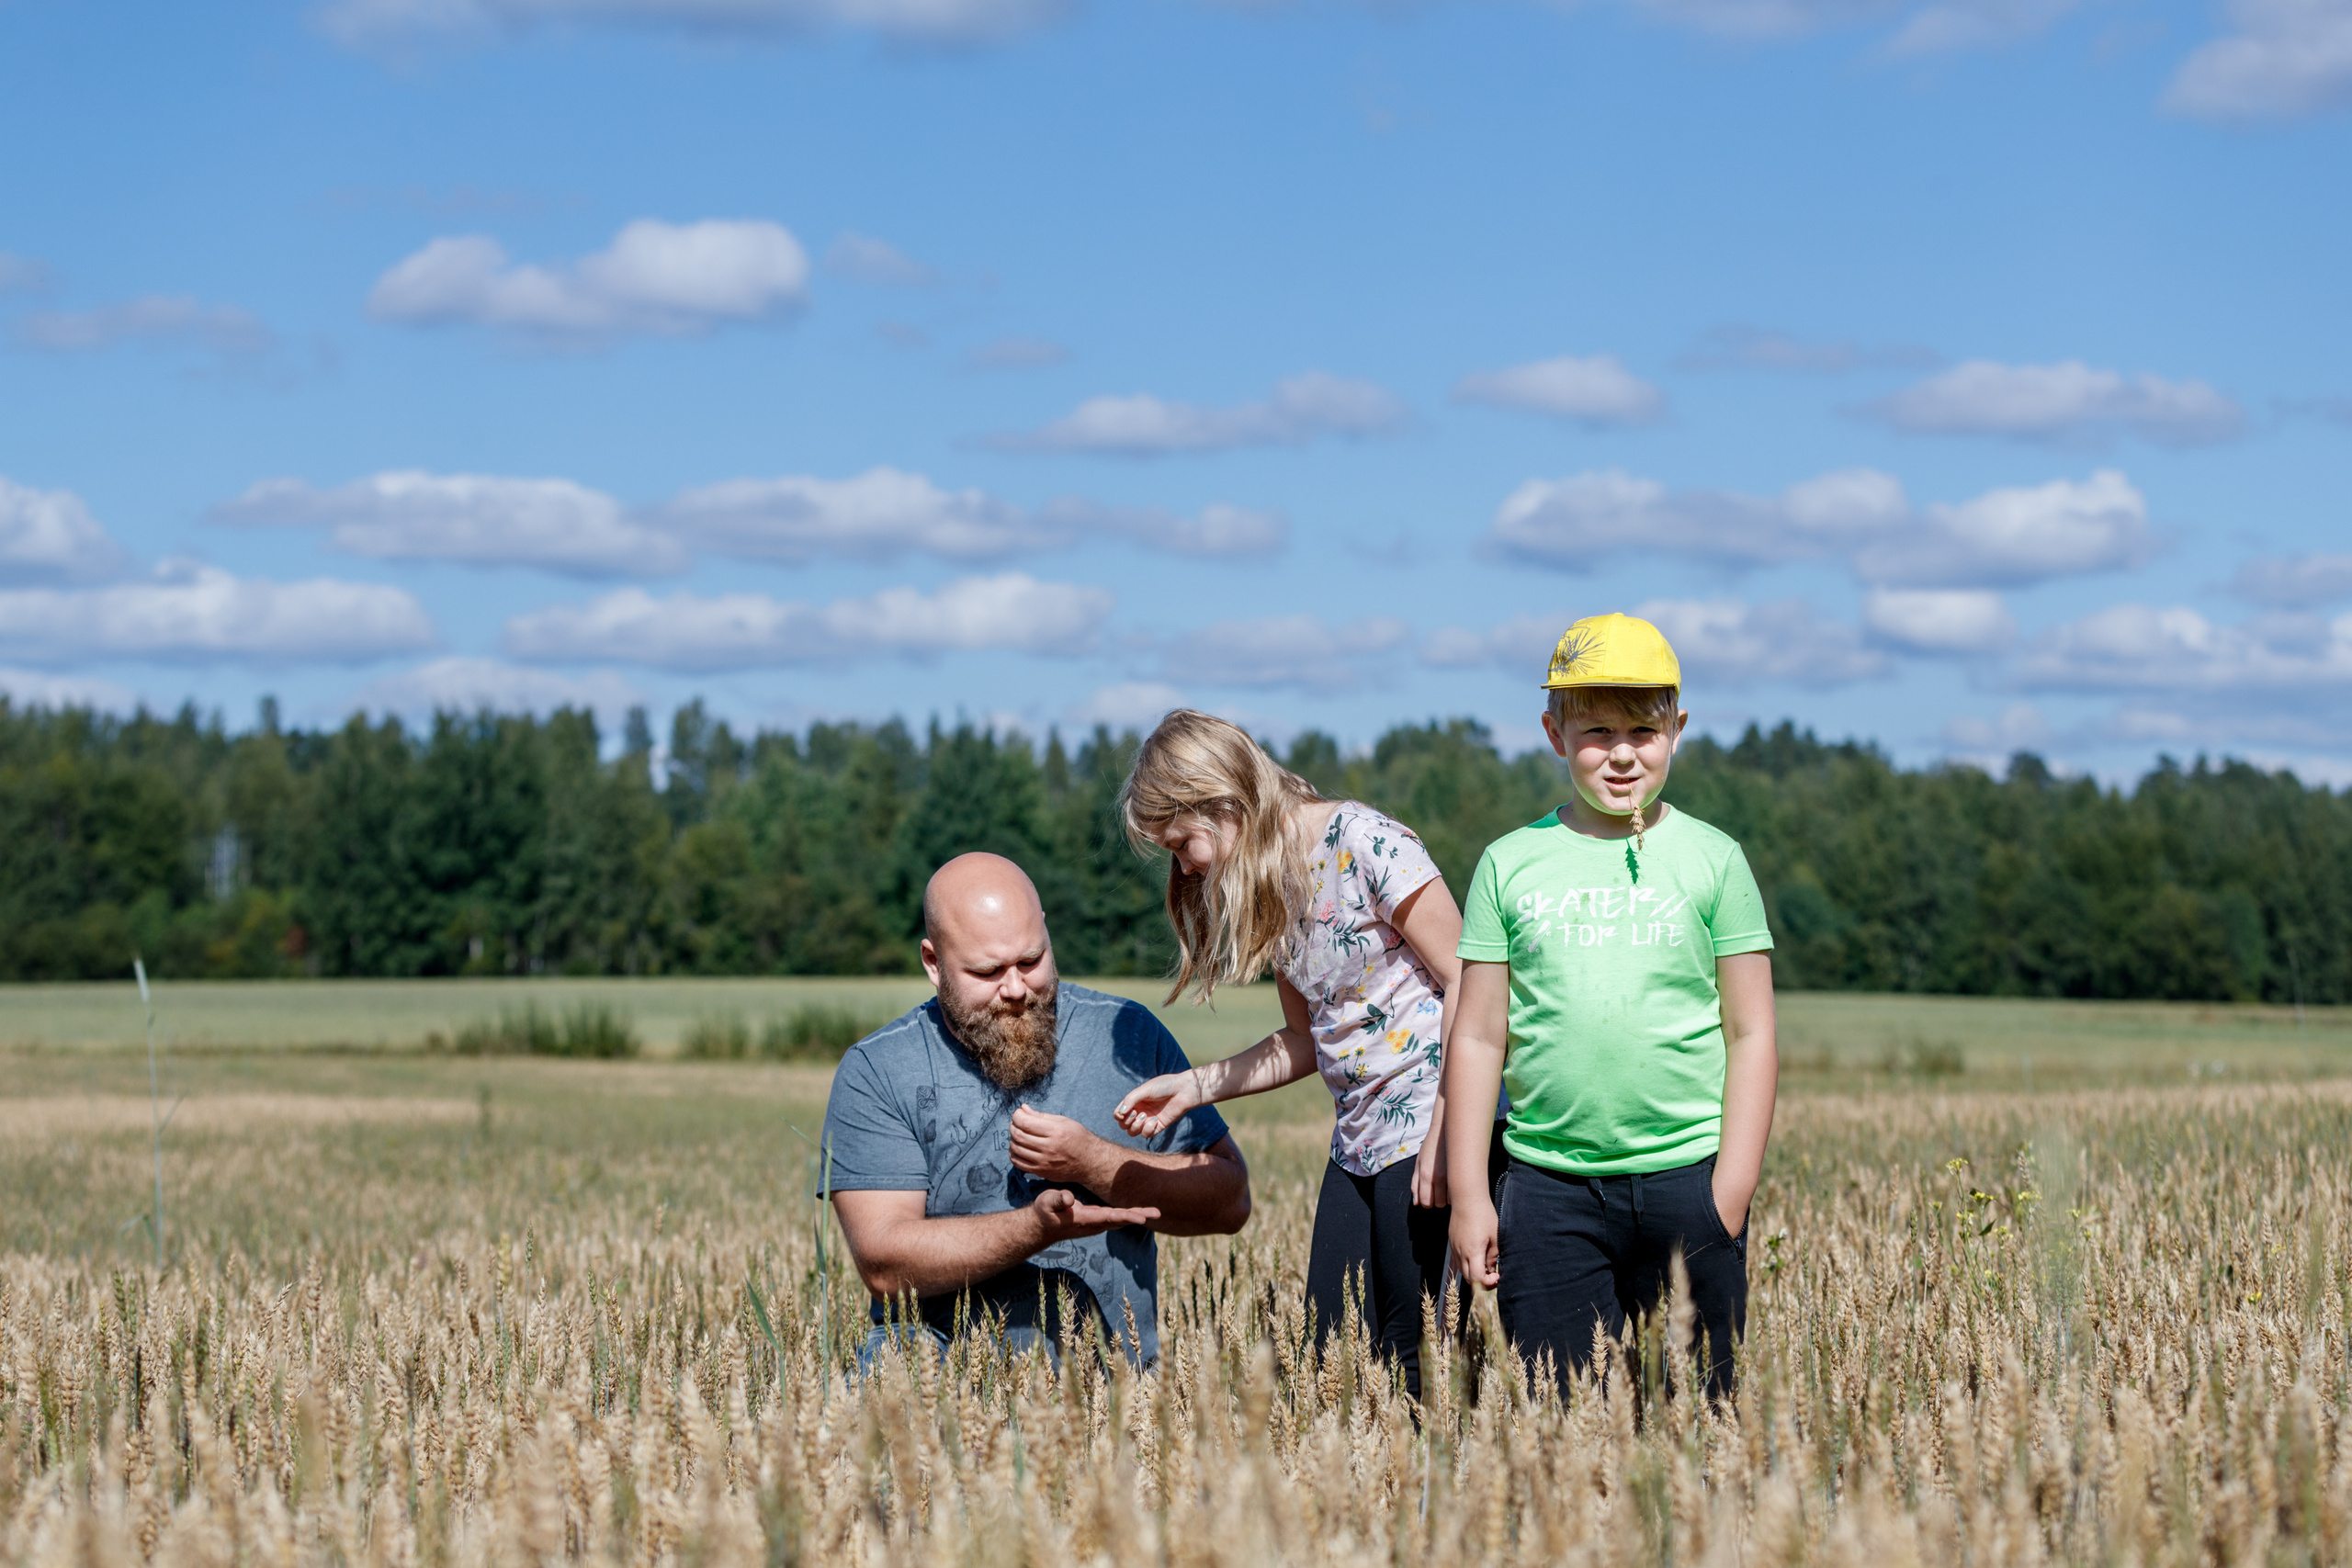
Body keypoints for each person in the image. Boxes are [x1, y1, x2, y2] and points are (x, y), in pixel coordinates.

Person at [1110, 709, 1498, 1401]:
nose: (1184, 865)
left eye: (1182, 842)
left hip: (1431, 1123)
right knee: (1328, 1354)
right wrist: (1192, 1087)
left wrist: (1450, 1126)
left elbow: (1470, 977)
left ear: (1221, 797)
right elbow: (1302, 1041)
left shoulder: (1366, 841)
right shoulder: (1273, 889)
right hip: (1357, 1141)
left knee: (1417, 1361)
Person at [1442, 613, 1778, 1401]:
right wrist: (1469, 1193)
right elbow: (1480, 1036)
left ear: (1678, 730)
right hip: (1549, 1189)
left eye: (1642, 729)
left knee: (1702, 1422)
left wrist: (1727, 1192)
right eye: (1595, 730)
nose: (1622, 752)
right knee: (1563, 1437)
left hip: (1687, 1180)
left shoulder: (1715, 859)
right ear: (1555, 732)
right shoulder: (1509, 863)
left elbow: (1753, 1030)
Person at [818, 852, 1251, 1369]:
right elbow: (884, 1265)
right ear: (933, 964)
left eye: (1031, 960)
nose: (1017, 989)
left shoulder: (1128, 1037)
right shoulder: (879, 1070)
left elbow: (1230, 1200)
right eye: (987, 971)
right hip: (938, 1383)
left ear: (1046, 933)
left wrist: (1095, 1163)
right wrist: (1035, 1228)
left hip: (1111, 1388)